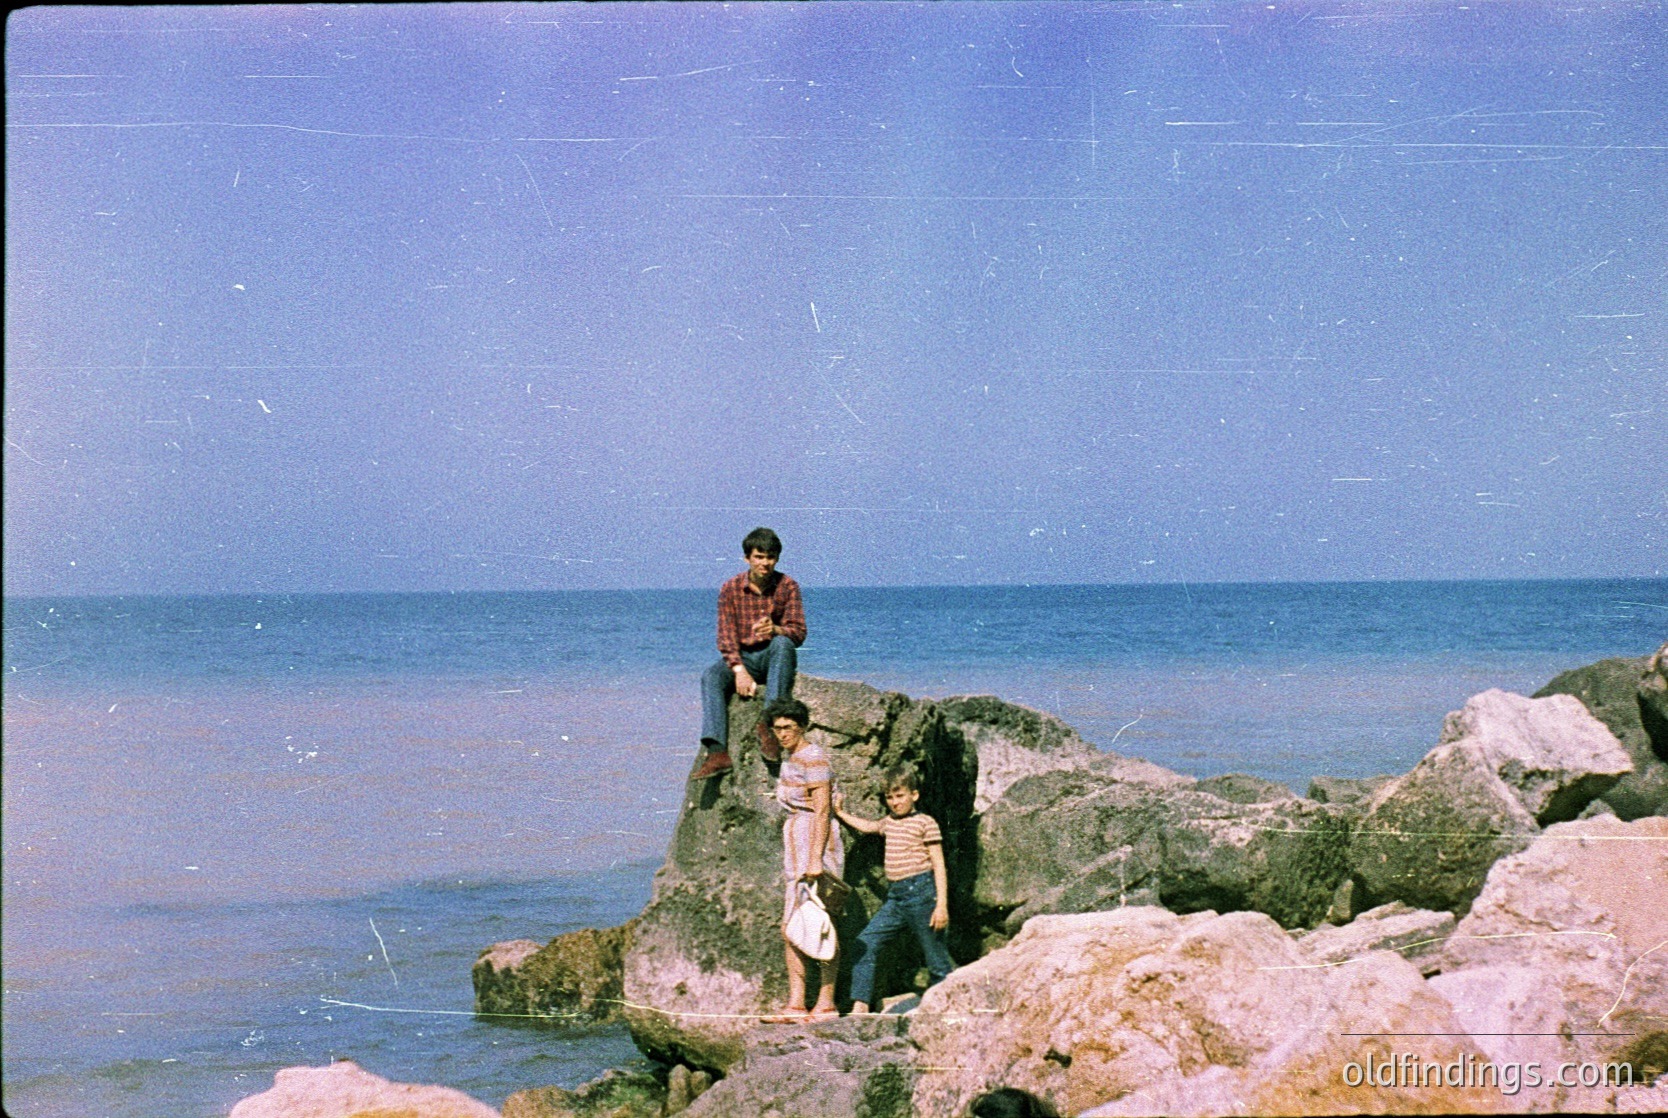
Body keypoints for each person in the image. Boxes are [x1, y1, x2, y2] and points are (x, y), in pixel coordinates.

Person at [834, 764, 955, 1014]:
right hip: (895, 897)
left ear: (915, 795)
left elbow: (939, 865)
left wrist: (941, 905)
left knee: (935, 957)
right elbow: (867, 826)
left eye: (900, 796)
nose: (895, 802)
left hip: (922, 893)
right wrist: (839, 812)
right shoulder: (888, 822)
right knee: (865, 942)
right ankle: (861, 1005)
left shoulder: (926, 822)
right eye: (889, 797)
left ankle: (945, 1013)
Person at [690, 527, 807, 781]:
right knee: (711, 675)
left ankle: (768, 724)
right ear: (747, 558)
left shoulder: (788, 586)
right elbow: (725, 636)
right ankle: (717, 752)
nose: (765, 563)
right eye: (759, 557)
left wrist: (776, 629)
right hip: (744, 658)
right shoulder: (730, 588)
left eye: (770, 557)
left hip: (773, 655)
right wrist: (739, 670)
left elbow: (798, 633)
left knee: (783, 643)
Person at [760, 698, 843, 1023]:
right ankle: (796, 1004)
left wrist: (815, 860)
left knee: (822, 924)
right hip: (797, 841)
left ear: (802, 726)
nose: (781, 734)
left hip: (816, 843)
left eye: (788, 727)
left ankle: (826, 1003)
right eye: (777, 728)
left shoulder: (813, 756)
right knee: (792, 927)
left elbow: (822, 809)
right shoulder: (791, 758)